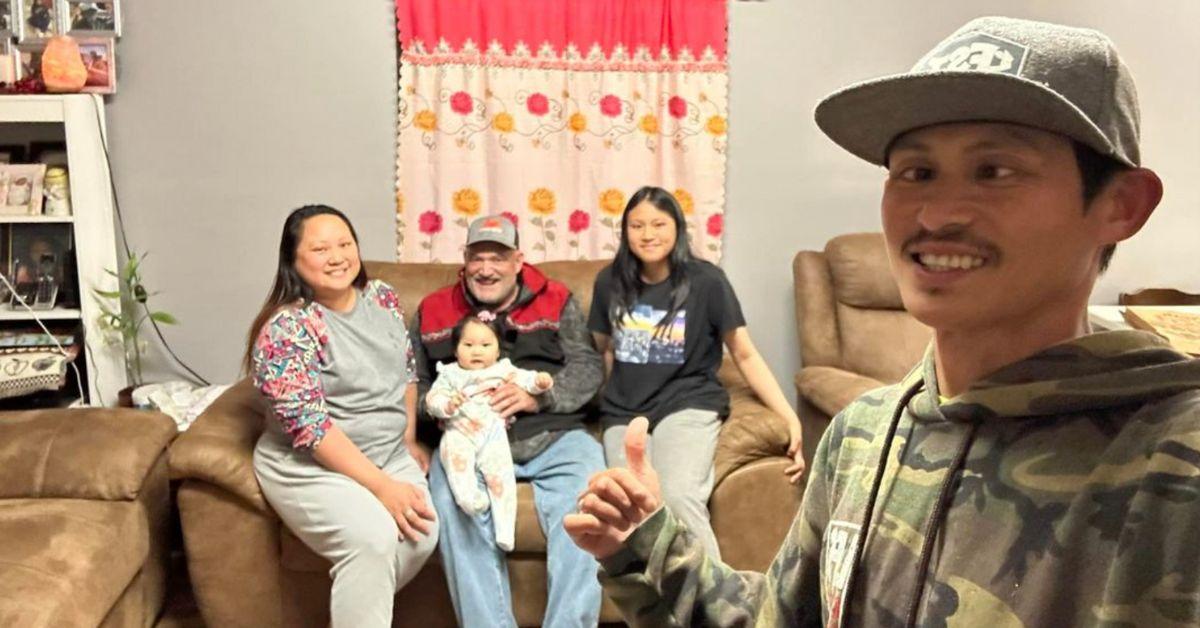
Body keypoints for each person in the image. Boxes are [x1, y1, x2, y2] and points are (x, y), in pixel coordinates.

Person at [566, 16, 1200, 627]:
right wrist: (643, 548)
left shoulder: (1176, 461)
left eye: (995, 171)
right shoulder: (861, 437)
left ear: (1120, 205)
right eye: (916, 172)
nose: (937, 213)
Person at [587, 185, 805, 559]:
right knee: (631, 502)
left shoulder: (706, 281)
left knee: (678, 494)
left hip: (687, 404)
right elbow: (600, 352)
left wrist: (790, 418)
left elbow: (745, 354)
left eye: (658, 223)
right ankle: (650, 610)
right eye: (637, 225)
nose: (648, 234)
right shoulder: (609, 283)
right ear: (625, 232)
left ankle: (713, 607)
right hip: (624, 411)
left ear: (677, 228)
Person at [410, 214, 605, 627]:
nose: (486, 268)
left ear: (518, 260)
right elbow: (415, 383)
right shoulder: (432, 310)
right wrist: (445, 408)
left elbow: (587, 367)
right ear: (463, 260)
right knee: (451, 502)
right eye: (477, 257)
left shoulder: (556, 298)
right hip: (468, 439)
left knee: (589, 504)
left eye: (497, 258)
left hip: (553, 435)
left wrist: (541, 397)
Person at [248, 204, 437, 628]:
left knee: (422, 531)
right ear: (293, 260)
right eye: (319, 248)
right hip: (311, 466)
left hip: (388, 453)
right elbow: (311, 428)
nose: (337, 256)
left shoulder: (383, 297)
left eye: (344, 244)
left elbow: (405, 371)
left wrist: (406, 438)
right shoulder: (287, 329)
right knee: (372, 539)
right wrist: (382, 487)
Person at [426, 313, 554, 552]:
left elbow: (526, 379)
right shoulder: (450, 374)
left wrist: (540, 382)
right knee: (458, 470)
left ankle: (505, 531)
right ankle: (470, 501)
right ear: (455, 350)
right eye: (468, 345)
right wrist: (447, 405)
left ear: (497, 351)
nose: (477, 351)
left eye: (486, 345)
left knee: (501, 477)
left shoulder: (503, 369)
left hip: (493, 432)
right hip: (459, 431)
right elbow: (432, 399)